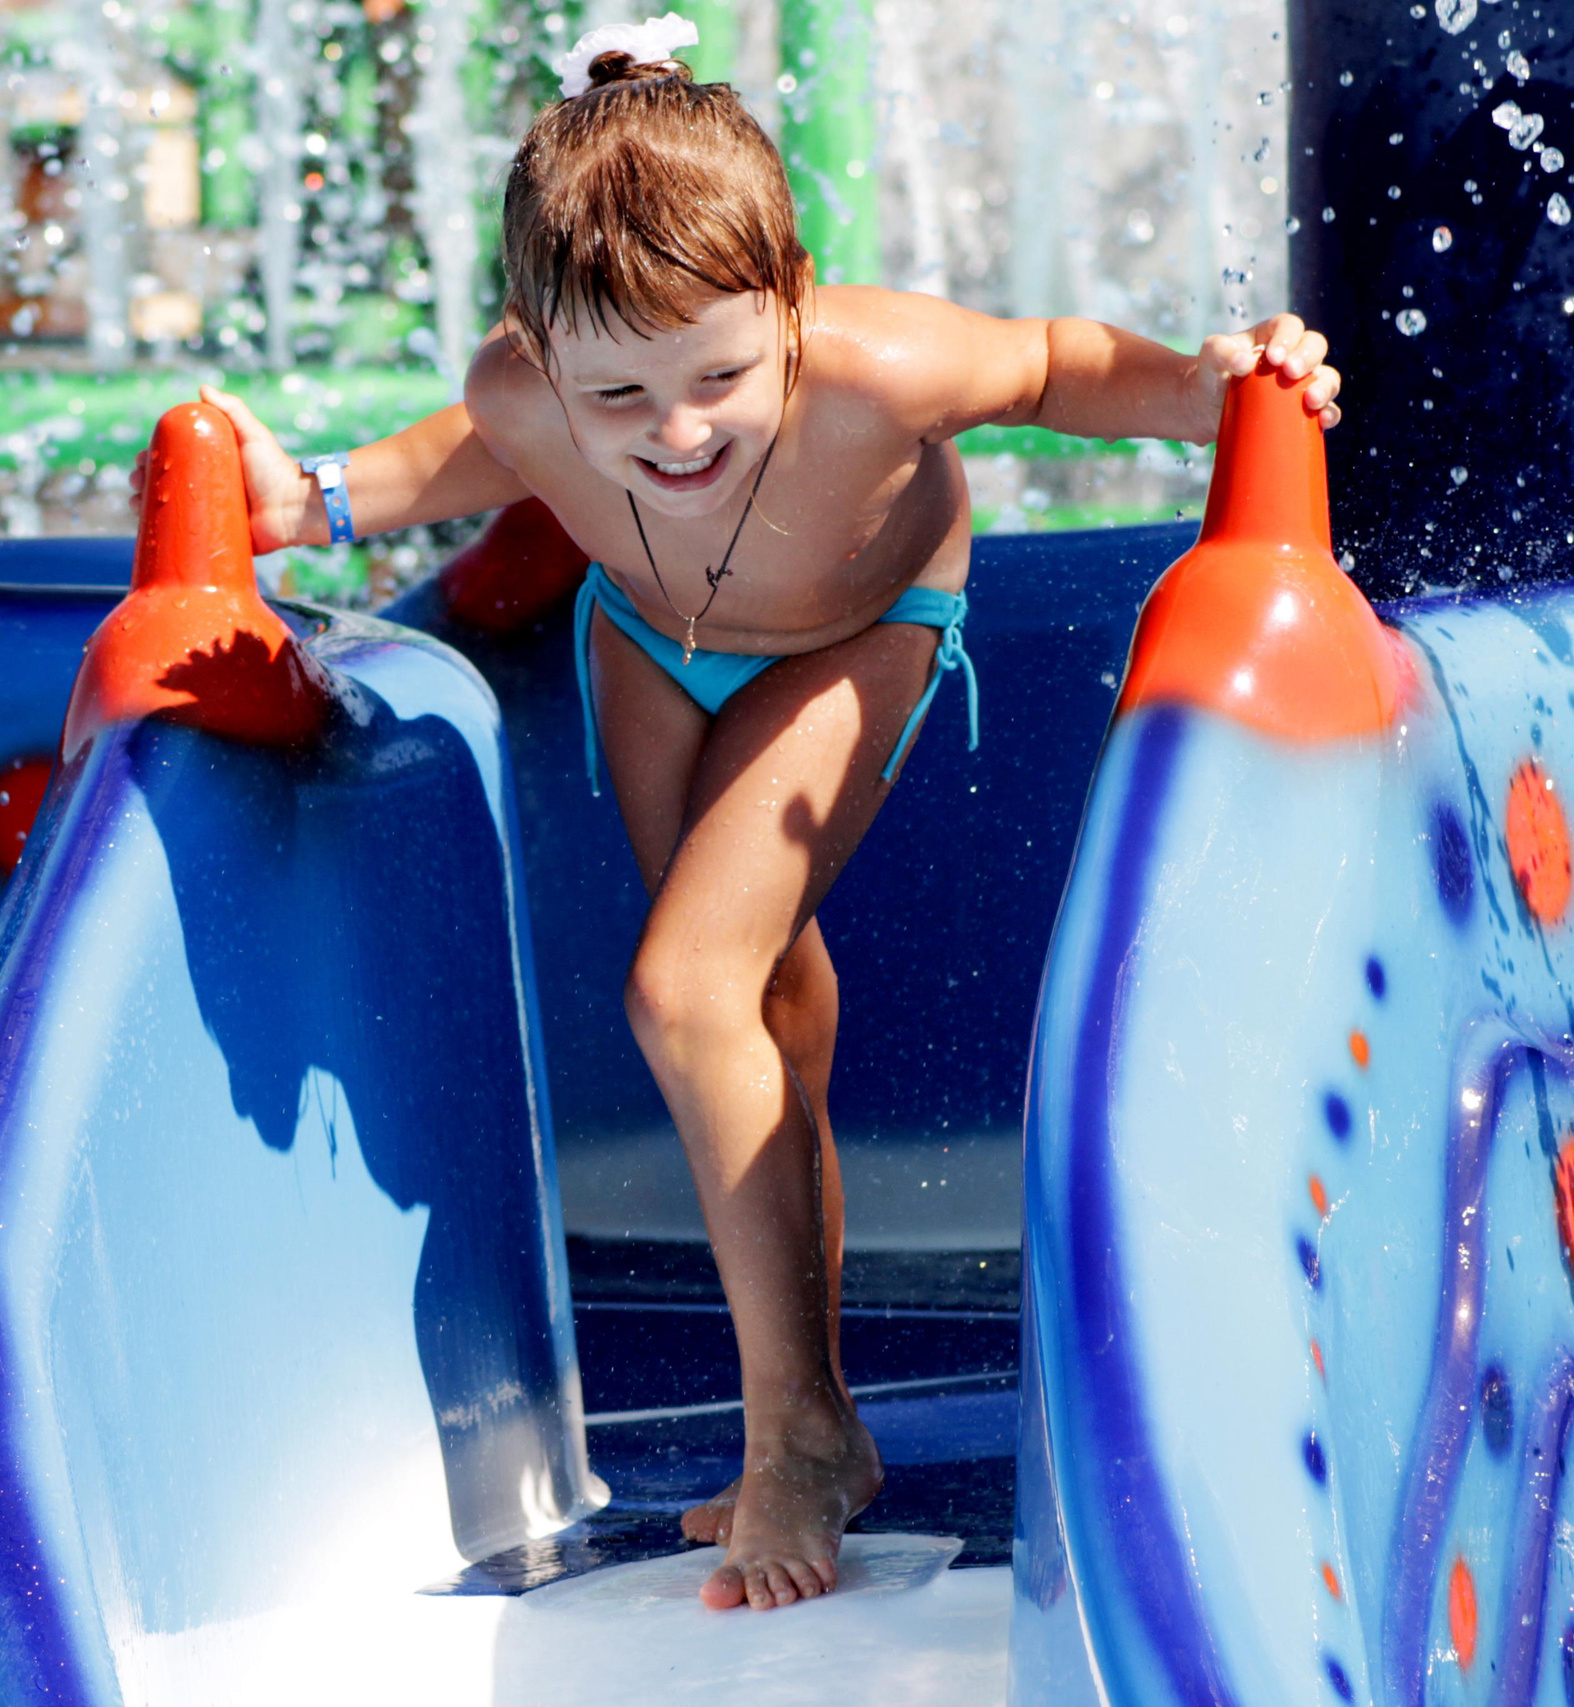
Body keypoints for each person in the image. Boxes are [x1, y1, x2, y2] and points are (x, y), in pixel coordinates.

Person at [193, 14, 1343, 1613]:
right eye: (618, 395)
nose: (678, 432)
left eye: (722, 376)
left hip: (859, 634)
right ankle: (821, 1413)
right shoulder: (524, 392)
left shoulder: (879, 367)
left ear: (793, 295)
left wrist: (1218, 393)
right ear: (534, 341)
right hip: (649, 649)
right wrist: (298, 496)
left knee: (684, 990)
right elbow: (456, 450)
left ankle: (795, 1426)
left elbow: (1061, 364)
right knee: (762, 1003)